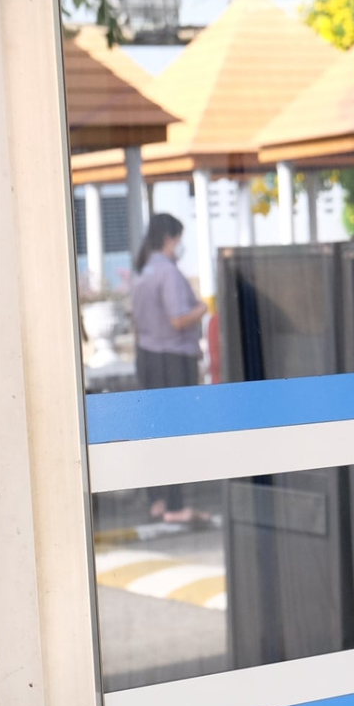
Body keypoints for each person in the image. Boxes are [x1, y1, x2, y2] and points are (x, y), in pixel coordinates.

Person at [130, 212, 206, 522]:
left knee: (154, 431)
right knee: (175, 431)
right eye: (179, 240)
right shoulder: (169, 273)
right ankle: (175, 505)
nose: (180, 246)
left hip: (147, 356)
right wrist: (202, 309)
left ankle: (158, 501)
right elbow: (178, 319)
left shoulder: (143, 272)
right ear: (168, 239)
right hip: (173, 360)